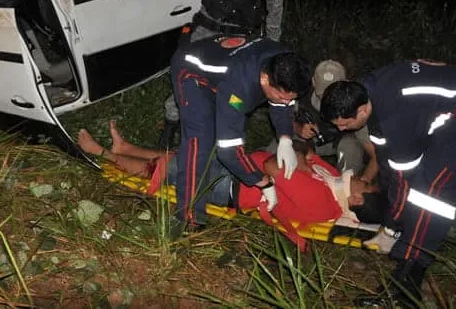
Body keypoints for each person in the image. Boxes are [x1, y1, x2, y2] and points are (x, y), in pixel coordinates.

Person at [320, 59, 456, 306]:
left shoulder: (396, 117)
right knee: (414, 186)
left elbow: (403, 179)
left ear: (362, 111)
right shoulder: (362, 92)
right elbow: (386, 160)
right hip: (443, 111)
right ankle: (409, 243)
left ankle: (406, 284)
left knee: (432, 192)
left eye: (345, 123)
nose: (341, 129)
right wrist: (391, 213)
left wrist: (391, 226)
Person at [79, 120, 387, 249]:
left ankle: (100, 153)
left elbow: (271, 166)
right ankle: (123, 147)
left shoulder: (324, 200)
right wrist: (301, 156)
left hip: (233, 187)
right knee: (184, 155)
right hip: (239, 167)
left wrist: (300, 158)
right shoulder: (334, 182)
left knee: (166, 168)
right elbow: (303, 148)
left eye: (366, 186)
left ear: (357, 201)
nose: (363, 179)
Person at [161, 0, 284, 149]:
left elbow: (275, 11)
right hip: (206, 30)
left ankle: (226, 127)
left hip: (239, 38)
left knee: (231, 83)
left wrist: (271, 49)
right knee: (186, 76)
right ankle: (171, 123)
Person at [169, 34, 311, 231]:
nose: (287, 103)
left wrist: (285, 138)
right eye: (281, 96)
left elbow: (282, 104)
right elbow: (228, 151)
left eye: (292, 99)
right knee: (200, 139)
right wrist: (263, 182)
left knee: (232, 126)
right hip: (192, 73)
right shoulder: (240, 85)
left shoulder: (286, 64)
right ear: (265, 78)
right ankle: (188, 216)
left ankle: (221, 171)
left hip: (225, 73)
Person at [266, 60, 379, 181]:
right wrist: (298, 128)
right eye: (322, 95)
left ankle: (345, 185)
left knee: (350, 146)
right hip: (308, 141)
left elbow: (376, 155)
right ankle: (275, 180)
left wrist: (364, 181)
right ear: (313, 82)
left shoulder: (354, 102)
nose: (326, 100)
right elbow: (281, 115)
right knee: (279, 146)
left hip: (340, 142)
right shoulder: (299, 91)